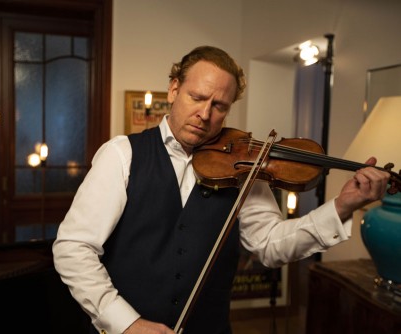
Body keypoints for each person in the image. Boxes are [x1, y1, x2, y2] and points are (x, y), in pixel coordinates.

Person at [52, 46, 390, 334]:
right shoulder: (121, 154)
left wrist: (343, 206)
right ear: (173, 90)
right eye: (196, 97)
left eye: (220, 106)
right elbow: (73, 248)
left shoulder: (244, 167)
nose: (205, 114)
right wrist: (126, 322)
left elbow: (271, 245)